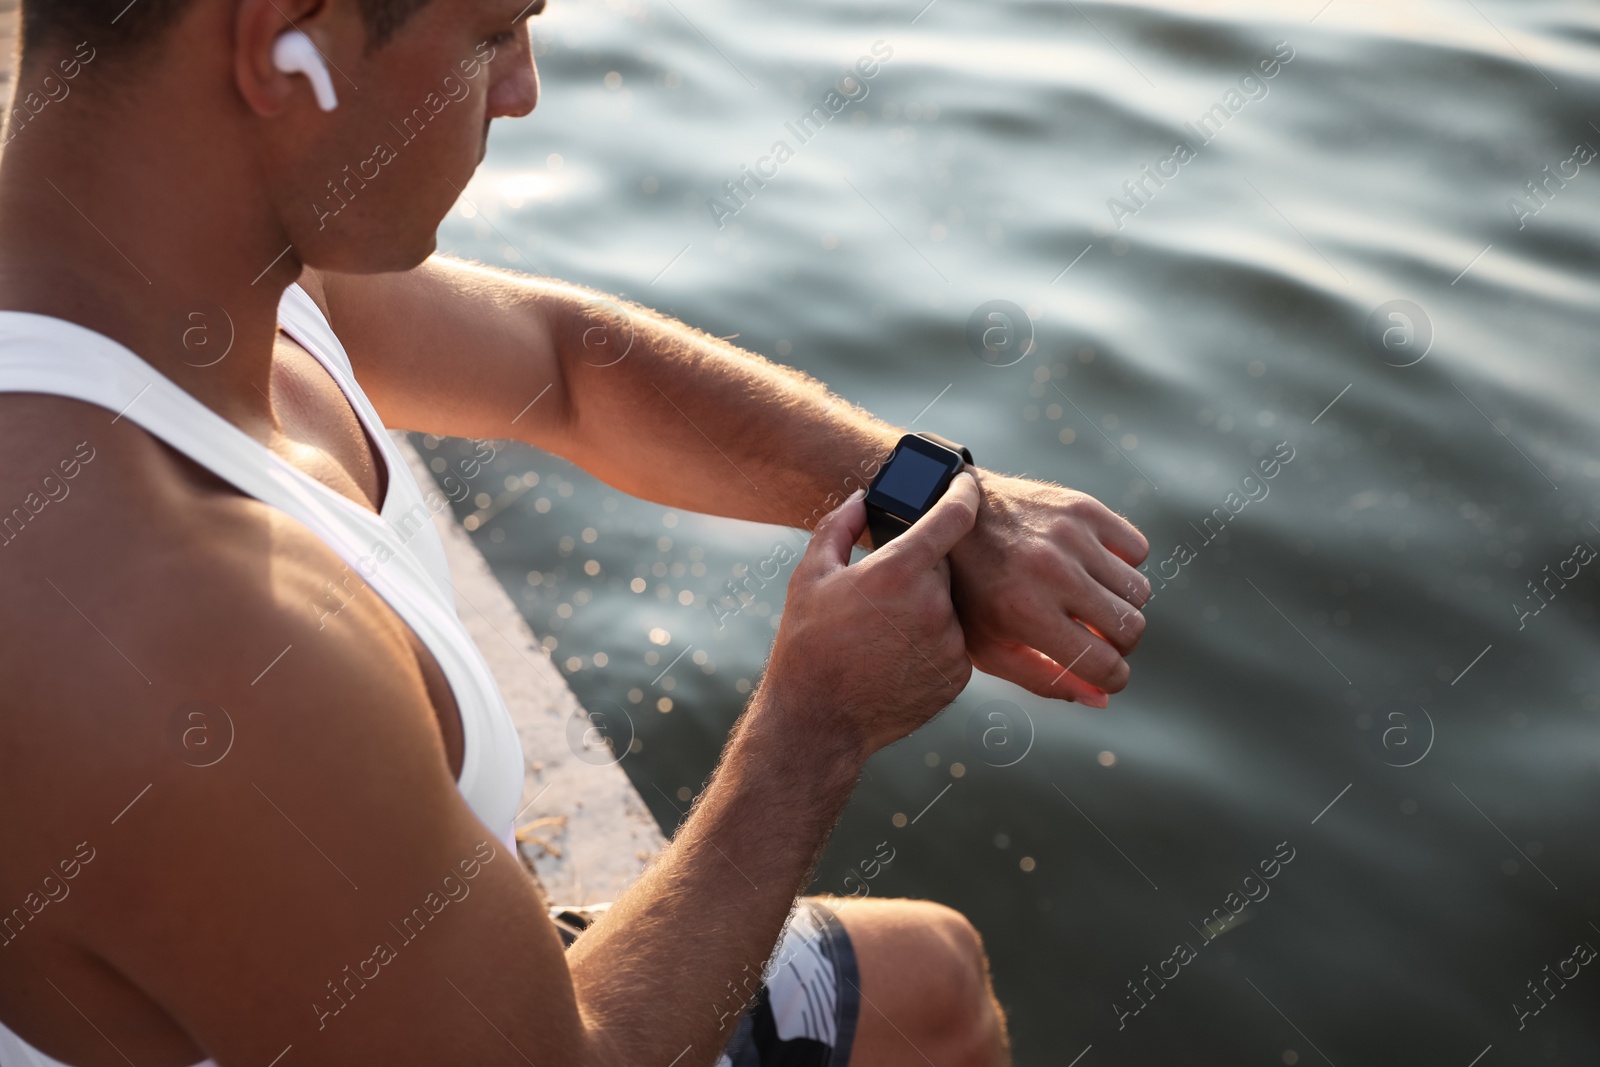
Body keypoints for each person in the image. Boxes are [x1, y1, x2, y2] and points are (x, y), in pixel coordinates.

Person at [0, 0, 1151, 1063]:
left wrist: (933, 494)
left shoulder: (152, 255)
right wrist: (818, 724)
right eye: (491, 32)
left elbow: (563, 368)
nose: (521, 91)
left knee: (931, 982)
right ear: (282, 41)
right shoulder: (196, 633)